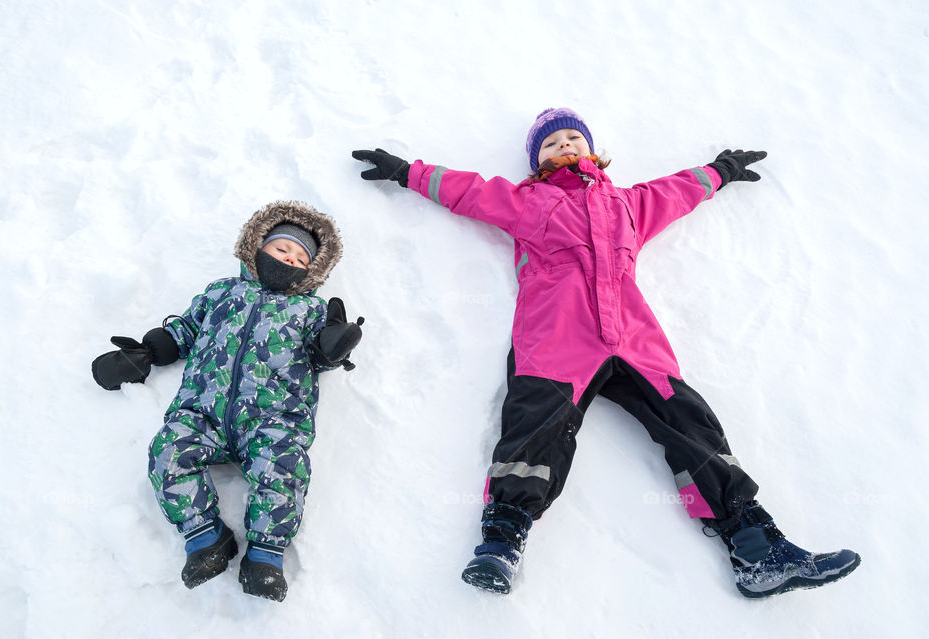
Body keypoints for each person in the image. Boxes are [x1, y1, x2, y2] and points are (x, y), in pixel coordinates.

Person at [352, 108, 860, 598]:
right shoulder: (528, 202)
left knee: (690, 423)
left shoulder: (627, 203)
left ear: (591, 149)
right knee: (534, 429)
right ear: (538, 161)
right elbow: (470, 193)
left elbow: (675, 193)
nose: (564, 146)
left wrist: (720, 171)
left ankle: (757, 551)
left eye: (572, 138)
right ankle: (501, 544)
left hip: (635, 337)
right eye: (551, 143)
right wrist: (407, 172)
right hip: (557, 338)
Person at [92, 200, 364, 601]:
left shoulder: (311, 311)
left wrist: (332, 347)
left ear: (313, 270)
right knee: (168, 452)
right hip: (202, 412)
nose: (289, 258)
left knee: (283, 472)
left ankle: (265, 558)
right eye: (281, 249)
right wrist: (148, 353)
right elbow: (186, 329)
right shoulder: (222, 292)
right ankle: (205, 537)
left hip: (273, 419)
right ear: (257, 248)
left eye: (301, 257)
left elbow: (320, 356)